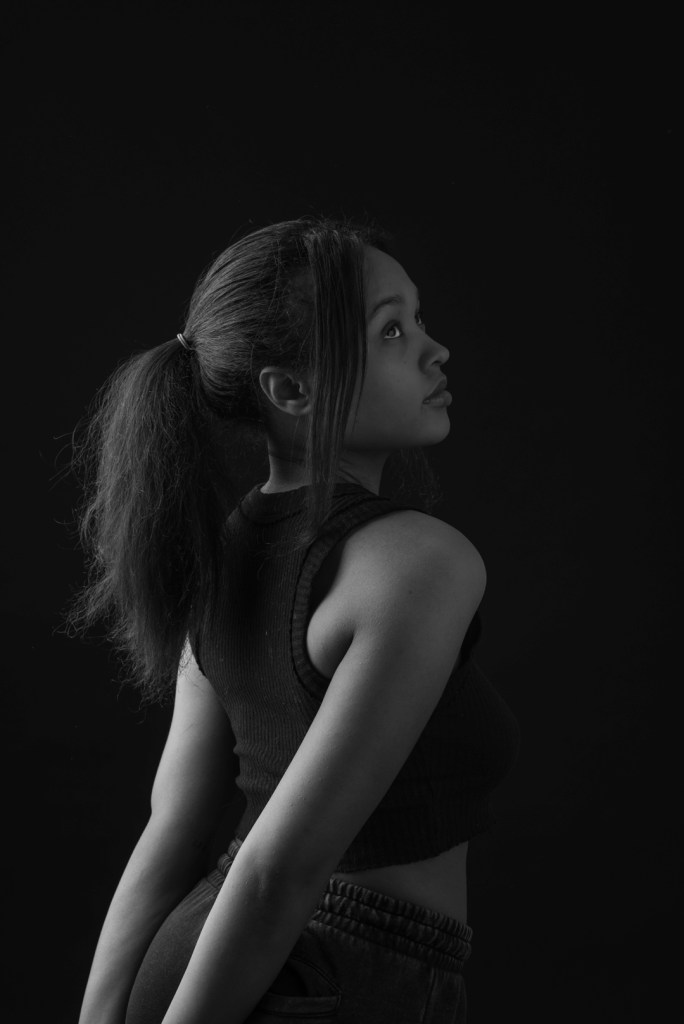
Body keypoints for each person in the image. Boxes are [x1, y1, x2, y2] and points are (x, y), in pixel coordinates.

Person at [69, 213, 520, 1024]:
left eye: (418, 319)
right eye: (392, 330)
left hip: (210, 958)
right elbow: (280, 868)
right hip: (329, 976)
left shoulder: (225, 548)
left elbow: (173, 836)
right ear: (290, 389)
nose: (433, 349)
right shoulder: (419, 562)